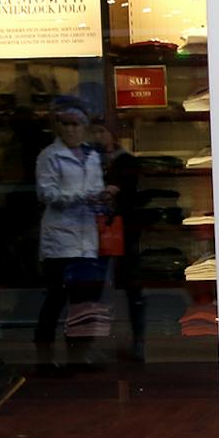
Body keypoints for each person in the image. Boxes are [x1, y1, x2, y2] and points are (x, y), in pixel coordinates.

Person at [34, 98, 111, 373]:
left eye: (75, 124)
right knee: (55, 302)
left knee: (84, 304)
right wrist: (86, 196)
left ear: (84, 127)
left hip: (87, 239)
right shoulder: (49, 156)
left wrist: (102, 198)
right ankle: (44, 361)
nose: (70, 129)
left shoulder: (91, 156)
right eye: (64, 124)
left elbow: (96, 190)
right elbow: (47, 195)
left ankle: (79, 357)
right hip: (61, 241)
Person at [90, 120, 147, 361]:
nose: (98, 137)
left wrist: (117, 190)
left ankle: (137, 342)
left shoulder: (127, 162)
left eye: (102, 131)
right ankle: (97, 343)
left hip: (124, 231)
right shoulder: (89, 160)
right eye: (94, 132)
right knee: (96, 290)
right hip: (93, 232)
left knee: (132, 288)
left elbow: (134, 194)